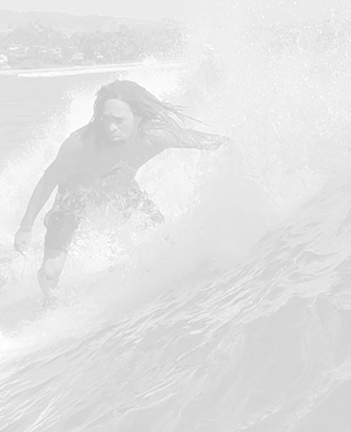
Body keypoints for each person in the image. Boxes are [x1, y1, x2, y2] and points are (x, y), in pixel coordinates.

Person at [14, 80, 228, 305]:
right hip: (73, 197)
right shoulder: (79, 145)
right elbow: (48, 180)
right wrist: (25, 227)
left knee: (167, 245)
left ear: (137, 118)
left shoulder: (156, 136)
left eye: (118, 120)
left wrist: (238, 145)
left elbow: (203, 140)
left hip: (122, 190)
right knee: (50, 273)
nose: (110, 127)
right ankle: (49, 302)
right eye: (105, 119)